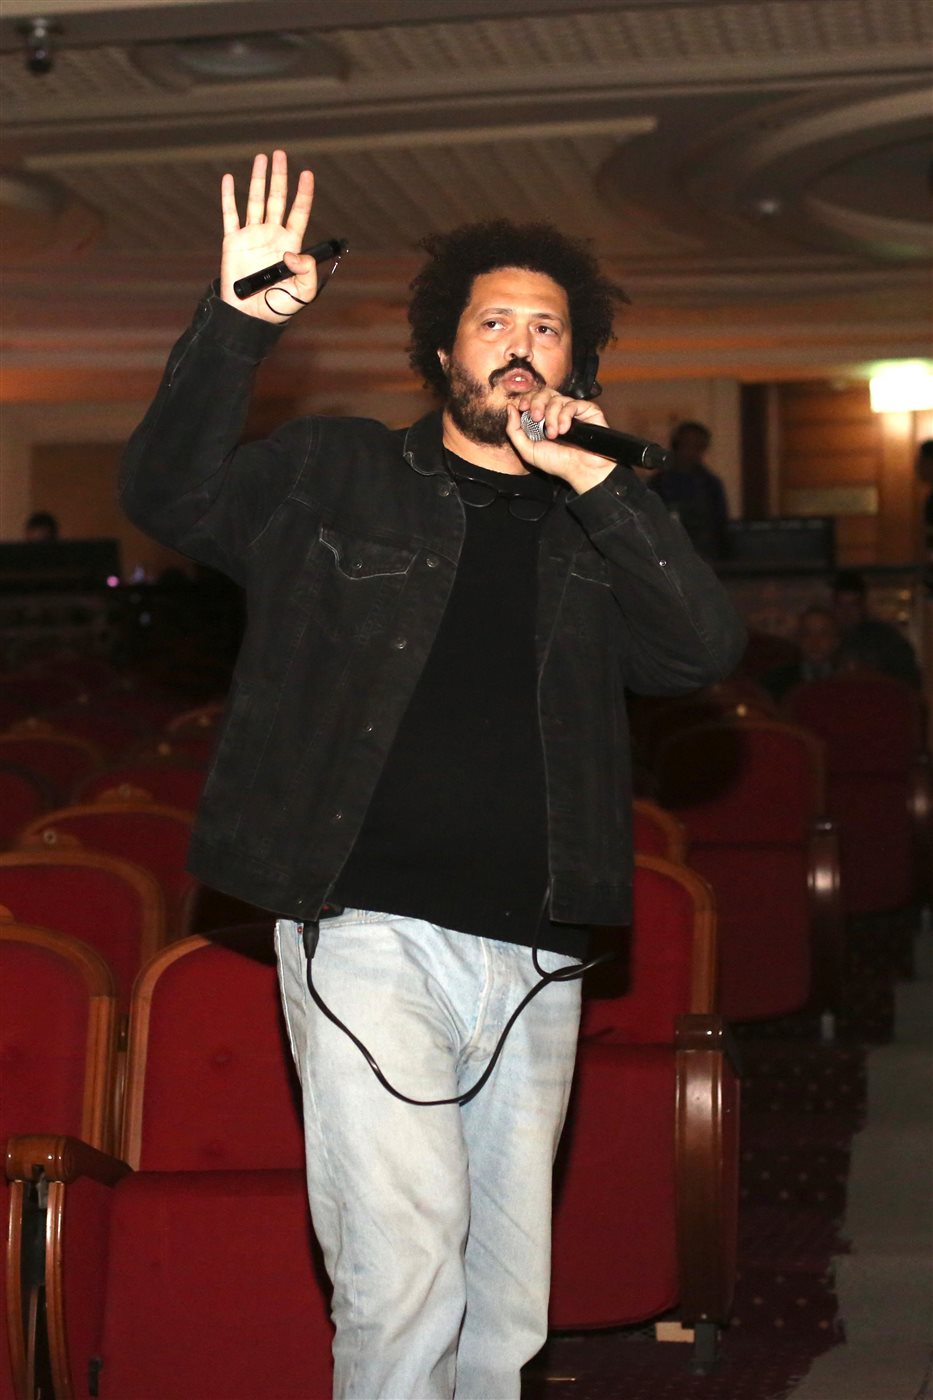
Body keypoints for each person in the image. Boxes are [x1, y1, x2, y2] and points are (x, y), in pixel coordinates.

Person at [120, 150, 746, 1399]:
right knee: (403, 1270)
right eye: (494, 321)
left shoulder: (593, 525)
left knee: (504, 1296)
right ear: (444, 349)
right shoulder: (337, 472)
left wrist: (605, 483)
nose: (520, 345)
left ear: (575, 363)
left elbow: (701, 650)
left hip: (538, 947)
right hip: (366, 924)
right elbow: (168, 493)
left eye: (547, 329)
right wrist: (236, 323)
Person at [647, 420, 729, 559]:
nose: (690, 452)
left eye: (697, 447)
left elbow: (720, 526)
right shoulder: (658, 483)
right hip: (666, 555)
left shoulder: (710, 485)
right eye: (686, 445)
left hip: (704, 555)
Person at [832, 569, 921, 688]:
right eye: (841, 605)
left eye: (853, 605)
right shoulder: (825, 638)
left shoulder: (887, 640)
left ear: (863, 606)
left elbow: (908, 681)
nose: (846, 612)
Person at [761, 603, 841, 701]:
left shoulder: (845, 679)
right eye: (807, 633)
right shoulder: (777, 680)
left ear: (836, 641)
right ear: (798, 639)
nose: (815, 642)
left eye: (823, 634)